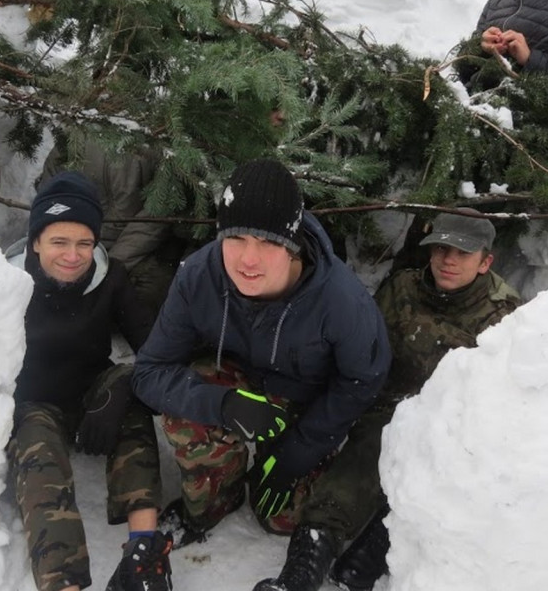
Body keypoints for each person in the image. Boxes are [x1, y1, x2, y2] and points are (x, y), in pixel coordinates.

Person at [130, 158, 392, 590]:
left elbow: (363, 382)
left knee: (282, 518)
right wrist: (221, 404)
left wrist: (298, 452)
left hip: (304, 406)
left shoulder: (340, 300)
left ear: (292, 244)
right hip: (238, 386)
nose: (248, 259)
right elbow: (150, 372)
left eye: (267, 243)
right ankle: (216, 497)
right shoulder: (199, 275)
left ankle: (276, 468)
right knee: (186, 407)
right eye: (235, 238)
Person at [286, 211, 522, 591]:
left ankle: (369, 553)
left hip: (448, 427)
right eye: (441, 248)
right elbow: (362, 350)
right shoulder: (402, 288)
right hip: (379, 409)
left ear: (485, 262)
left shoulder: (503, 314)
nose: (448, 260)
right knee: (345, 479)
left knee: (419, 487)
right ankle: (300, 573)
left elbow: (499, 402)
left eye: (462, 253)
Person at [5, 171, 171, 591]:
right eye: (59, 242)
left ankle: (145, 550)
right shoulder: (6, 284)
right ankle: (65, 582)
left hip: (91, 392)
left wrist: (123, 384)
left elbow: (154, 350)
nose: (73, 256)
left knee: (130, 401)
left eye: (84, 243)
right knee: (38, 450)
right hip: (33, 404)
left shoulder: (110, 277)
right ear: (37, 240)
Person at [40, 136, 186, 323]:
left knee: (148, 296)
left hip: (134, 251)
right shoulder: (74, 136)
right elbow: (49, 203)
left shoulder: (157, 140)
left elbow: (156, 216)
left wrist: (110, 266)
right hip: (79, 247)